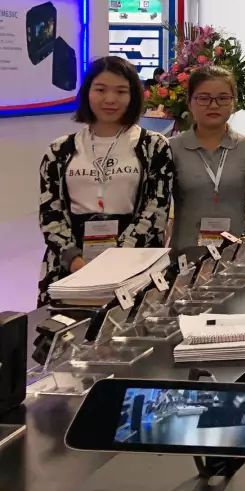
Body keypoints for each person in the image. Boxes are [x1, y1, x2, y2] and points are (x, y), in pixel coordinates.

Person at [37, 56, 174, 305]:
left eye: (121, 91)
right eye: (100, 90)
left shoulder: (154, 146)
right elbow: (50, 213)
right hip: (71, 268)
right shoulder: (59, 149)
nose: (110, 99)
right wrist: (76, 261)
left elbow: (156, 210)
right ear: (87, 92)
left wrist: (114, 264)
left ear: (133, 95)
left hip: (133, 267)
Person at [170, 65, 245, 251]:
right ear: (189, 102)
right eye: (204, 98)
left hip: (236, 257)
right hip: (184, 254)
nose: (214, 105)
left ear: (234, 102)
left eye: (223, 98)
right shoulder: (172, 148)